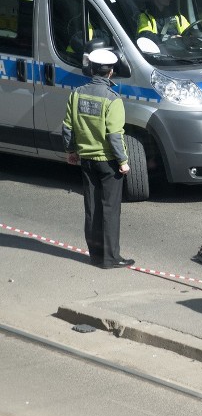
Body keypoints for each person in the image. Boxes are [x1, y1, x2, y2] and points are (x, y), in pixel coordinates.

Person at [62, 49, 135, 270]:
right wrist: (122, 161)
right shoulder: (113, 99)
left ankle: (94, 255)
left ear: (92, 69)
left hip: (86, 159)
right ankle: (110, 258)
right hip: (108, 161)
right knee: (110, 210)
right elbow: (115, 135)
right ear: (111, 72)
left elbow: (67, 127)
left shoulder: (76, 94)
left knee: (92, 207)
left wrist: (71, 151)